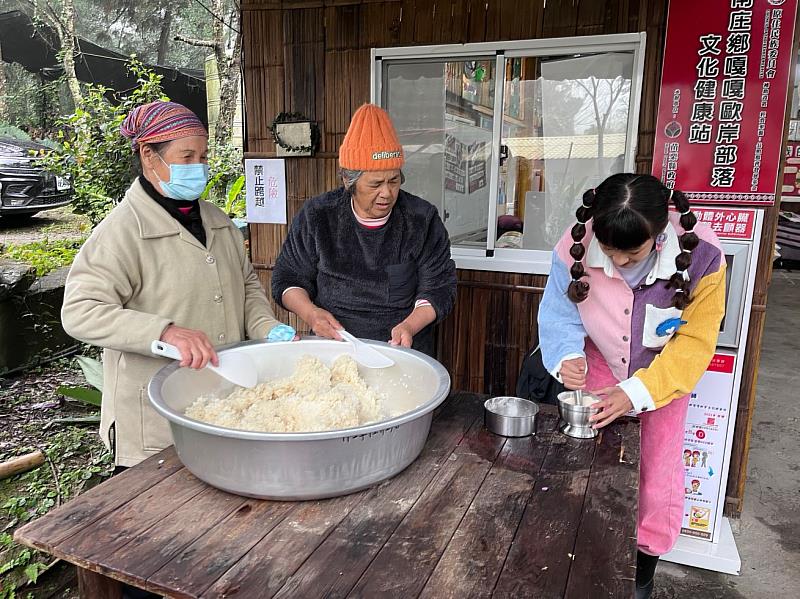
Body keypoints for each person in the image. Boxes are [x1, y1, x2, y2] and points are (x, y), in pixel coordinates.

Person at [62, 100, 292, 469]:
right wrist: (164, 332)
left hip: (221, 402)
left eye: (202, 156)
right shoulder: (121, 232)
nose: (199, 167)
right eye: (186, 157)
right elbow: (80, 312)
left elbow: (246, 284)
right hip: (156, 420)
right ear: (149, 157)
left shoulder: (217, 221)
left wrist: (267, 327)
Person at [537, 173, 725, 599]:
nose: (619, 264)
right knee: (592, 465)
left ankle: (640, 573)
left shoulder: (704, 257)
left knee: (656, 477)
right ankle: (584, 553)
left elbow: (693, 344)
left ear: (659, 235)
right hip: (601, 363)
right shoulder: (575, 244)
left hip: (663, 374)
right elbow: (558, 311)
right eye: (609, 252)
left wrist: (636, 393)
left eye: (632, 253)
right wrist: (568, 356)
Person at [271, 103, 457, 356]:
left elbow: (439, 288)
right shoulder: (318, 215)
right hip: (334, 344)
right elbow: (287, 277)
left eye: (394, 181)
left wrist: (409, 326)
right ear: (349, 180)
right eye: (375, 184)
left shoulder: (421, 219)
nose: (387, 193)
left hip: (402, 347)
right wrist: (311, 313)